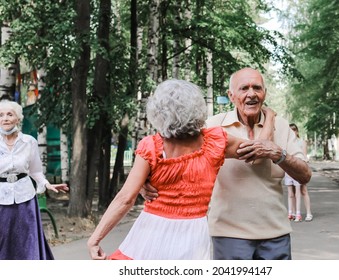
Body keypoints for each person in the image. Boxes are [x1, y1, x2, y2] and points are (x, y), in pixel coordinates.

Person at [87, 79, 275, 260]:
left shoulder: (151, 146)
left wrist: (95, 240)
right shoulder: (216, 141)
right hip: (192, 236)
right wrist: (270, 118)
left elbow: (125, 198)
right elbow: (260, 150)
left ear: (158, 111)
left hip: (150, 233)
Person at [142, 68, 312, 260]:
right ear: (231, 96)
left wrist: (280, 154)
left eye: (257, 88)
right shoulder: (212, 126)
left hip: (276, 235)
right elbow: (172, 152)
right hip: (228, 234)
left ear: (264, 93)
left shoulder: (281, 126)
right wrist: (144, 181)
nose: (251, 94)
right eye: (244, 88)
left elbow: (305, 175)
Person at [0, 100, 69, 260]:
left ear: (18, 119)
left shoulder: (29, 142)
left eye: (10, 114)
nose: (5, 119)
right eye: (1, 115)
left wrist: (46, 184)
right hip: (1, 200)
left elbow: (35, 171)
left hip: (25, 199)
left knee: (26, 242)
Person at [284, 123, 313, 222]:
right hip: (290, 169)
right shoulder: (286, 142)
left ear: (297, 131)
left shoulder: (301, 142)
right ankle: (292, 212)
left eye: (294, 130)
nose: (292, 132)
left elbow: (304, 156)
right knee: (291, 192)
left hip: (300, 168)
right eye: (290, 131)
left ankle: (308, 213)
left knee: (303, 191)